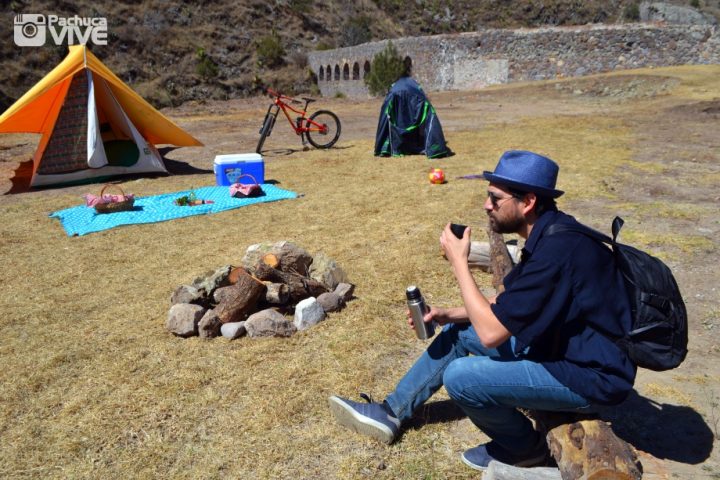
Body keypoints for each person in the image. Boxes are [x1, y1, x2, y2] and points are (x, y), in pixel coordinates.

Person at [328, 150, 636, 471]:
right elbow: (504, 308)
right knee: (460, 332)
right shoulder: (550, 231)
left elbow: (491, 334)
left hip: (592, 376)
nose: (487, 205)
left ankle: (525, 449)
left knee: (462, 377)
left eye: (495, 198)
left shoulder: (557, 251)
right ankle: (391, 411)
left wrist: (460, 262)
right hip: (561, 350)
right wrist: (446, 313)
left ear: (528, 201)